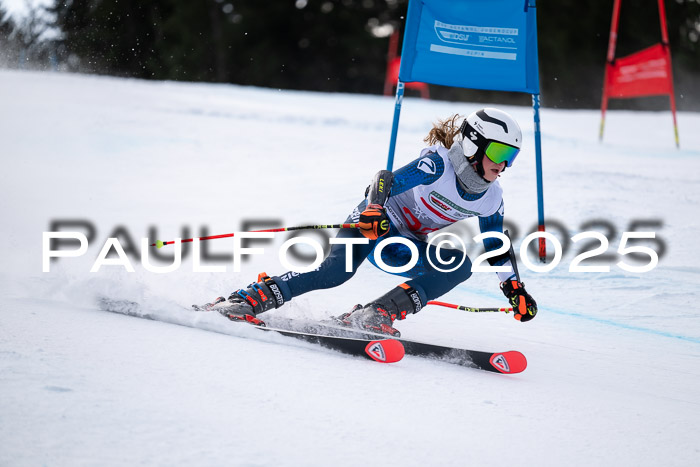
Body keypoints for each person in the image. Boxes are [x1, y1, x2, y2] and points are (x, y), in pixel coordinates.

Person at [215, 108, 538, 336]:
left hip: (400, 247)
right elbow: (383, 179)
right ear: (472, 144)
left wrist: (513, 287)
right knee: (334, 272)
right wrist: (373, 210)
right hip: (374, 223)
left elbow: (494, 243)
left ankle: (375, 313)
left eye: (511, 157)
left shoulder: (491, 197)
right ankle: (246, 300)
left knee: (459, 266)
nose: (504, 164)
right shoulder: (438, 165)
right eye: (498, 152)